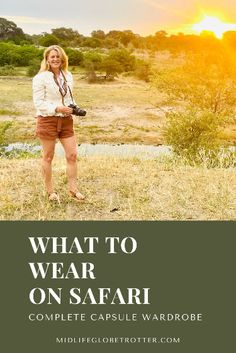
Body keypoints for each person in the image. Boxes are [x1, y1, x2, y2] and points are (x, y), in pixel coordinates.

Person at [32, 45, 85, 202]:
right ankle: (51, 192)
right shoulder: (40, 78)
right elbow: (39, 103)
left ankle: (73, 189)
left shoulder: (68, 75)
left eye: (58, 56)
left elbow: (69, 98)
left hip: (66, 121)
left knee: (72, 155)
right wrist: (57, 108)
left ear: (63, 59)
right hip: (47, 120)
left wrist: (74, 108)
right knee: (48, 157)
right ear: (47, 59)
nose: (55, 59)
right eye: (52, 56)